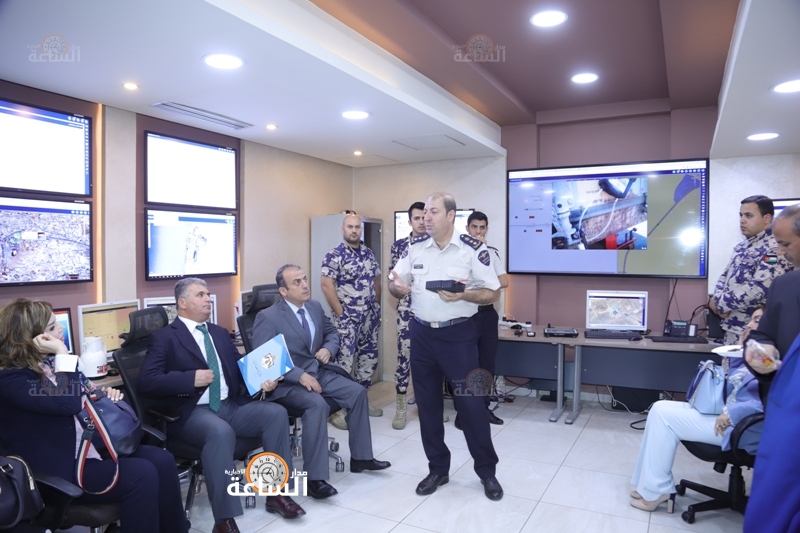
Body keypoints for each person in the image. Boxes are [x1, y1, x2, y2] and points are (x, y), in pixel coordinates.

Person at [0, 298, 187, 533]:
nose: (60, 330)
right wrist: (62, 353)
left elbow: (82, 392)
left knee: (163, 460)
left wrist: (101, 394)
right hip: (59, 468)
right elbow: (67, 403)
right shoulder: (12, 380)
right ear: (30, 338)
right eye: (52, 327)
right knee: (142, 474)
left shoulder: (47, 364)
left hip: (90, 447)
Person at [138, 277, 304, 533]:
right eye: (200, 295)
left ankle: (276, 494)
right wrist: (189, 379)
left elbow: (238, 371)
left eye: (208, 294)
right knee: (220, 432)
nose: (208, 299)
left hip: (229, 405)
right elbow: (146, 382)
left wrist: (262, 382)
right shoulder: (164, 337)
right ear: (182, 303)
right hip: (193, 412)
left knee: (276, 413)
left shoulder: (218, 332)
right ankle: (223, 520)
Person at [389, 191, 504, 501]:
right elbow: (394, 282)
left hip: (458, 338)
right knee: (428, 407)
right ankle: (438, 469)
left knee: (471, 405)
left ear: (451, 215)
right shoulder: (415, 248)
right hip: (422, 336)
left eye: (433, 212)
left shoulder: (472, 249)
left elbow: (493, 292)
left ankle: (487, 471)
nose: (426, 217)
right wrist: (396, 287)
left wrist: (464, 295)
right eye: (425, 212)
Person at [251, 264, 390, 499]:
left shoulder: (314, 306)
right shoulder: (268, 317)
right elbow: (264, 359)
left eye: (305, 279)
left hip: (319, 371)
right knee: (317, 404)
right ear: (283, 291)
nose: (305, 285)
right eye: (297, 282)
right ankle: (315, 479)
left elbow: (332, 333)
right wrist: (298, 375)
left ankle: (361, 457)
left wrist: (328, 348)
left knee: (356, 392)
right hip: (287, 383)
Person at [629, 307, 765, 513]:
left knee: (664, 417)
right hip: (733, 419)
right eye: (751, 319)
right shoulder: (758, 352)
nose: (749, 324)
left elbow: (766, 400)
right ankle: (647, 486)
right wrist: (740, 349)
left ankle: (656, 491)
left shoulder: (771, 358)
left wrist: (730, 414)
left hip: (742, 428)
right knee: (659, 408)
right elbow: (736, 384)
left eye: (757, 320)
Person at [741, 204, 800, 533]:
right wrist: (759, 352)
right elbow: (762, 336)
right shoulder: (785, 286)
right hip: (786, 424)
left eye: (785, 244)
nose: (780, 252)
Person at [321, 213, 383, 427]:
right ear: (343, 229)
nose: (354, 230)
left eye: (357, 227)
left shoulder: (368, 253)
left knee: (368, 361)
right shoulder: (335, 255)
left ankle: (360, 402)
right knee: (343, 365)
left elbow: (376, 279)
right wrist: (342, 314)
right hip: (347, 321)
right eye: (350, 227)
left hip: (369, 318)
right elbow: (326, 285)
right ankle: (336, 410)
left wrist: (376, 305)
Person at [709, 195, 792, 344]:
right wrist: (717, 300)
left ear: (766, 218)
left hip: (755, 331)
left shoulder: (774, 249)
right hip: (731, 326)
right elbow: (725, 276)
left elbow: (759, 288)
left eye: (748, 215)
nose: (742, 220)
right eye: (741, 215)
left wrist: (720, 303)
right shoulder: (743, 246)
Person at [454, 210, 509, 428]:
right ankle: (463, 413)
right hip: (465, 314)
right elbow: (457, 284)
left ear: (486, 229)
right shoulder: (458, 253)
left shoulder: (490, 252)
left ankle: (483, 409)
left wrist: (478, 284)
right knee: (465, 366)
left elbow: (503, 282)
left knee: (486, 364)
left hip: (486, 314)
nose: (478, 231)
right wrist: (485, 285)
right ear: (467, 228)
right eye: (474, 227)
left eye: (482, 227)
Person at [389, 201, 427, 430]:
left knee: (431, 362)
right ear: (410, 221)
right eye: (417, 218)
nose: (422, 222)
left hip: (431, 311)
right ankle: (401, 408)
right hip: (407, 311)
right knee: (404, 358)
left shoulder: (435, 243)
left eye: (424, 217)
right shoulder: (399, 246)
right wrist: (399, 288)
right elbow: (393, 280)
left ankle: (428, 407)